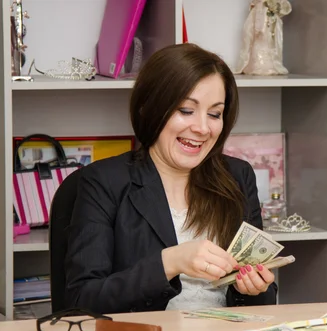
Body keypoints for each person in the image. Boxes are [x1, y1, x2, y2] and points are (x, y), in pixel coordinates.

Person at [64, 43, 277, 314]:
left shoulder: (237, 176)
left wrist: (254, 288)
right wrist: (169, 263)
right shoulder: (103, 181)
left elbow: (265, 302)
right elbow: (82, 299)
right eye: (186, 110)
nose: (201, 128)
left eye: (214, 114)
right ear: (149, 108)